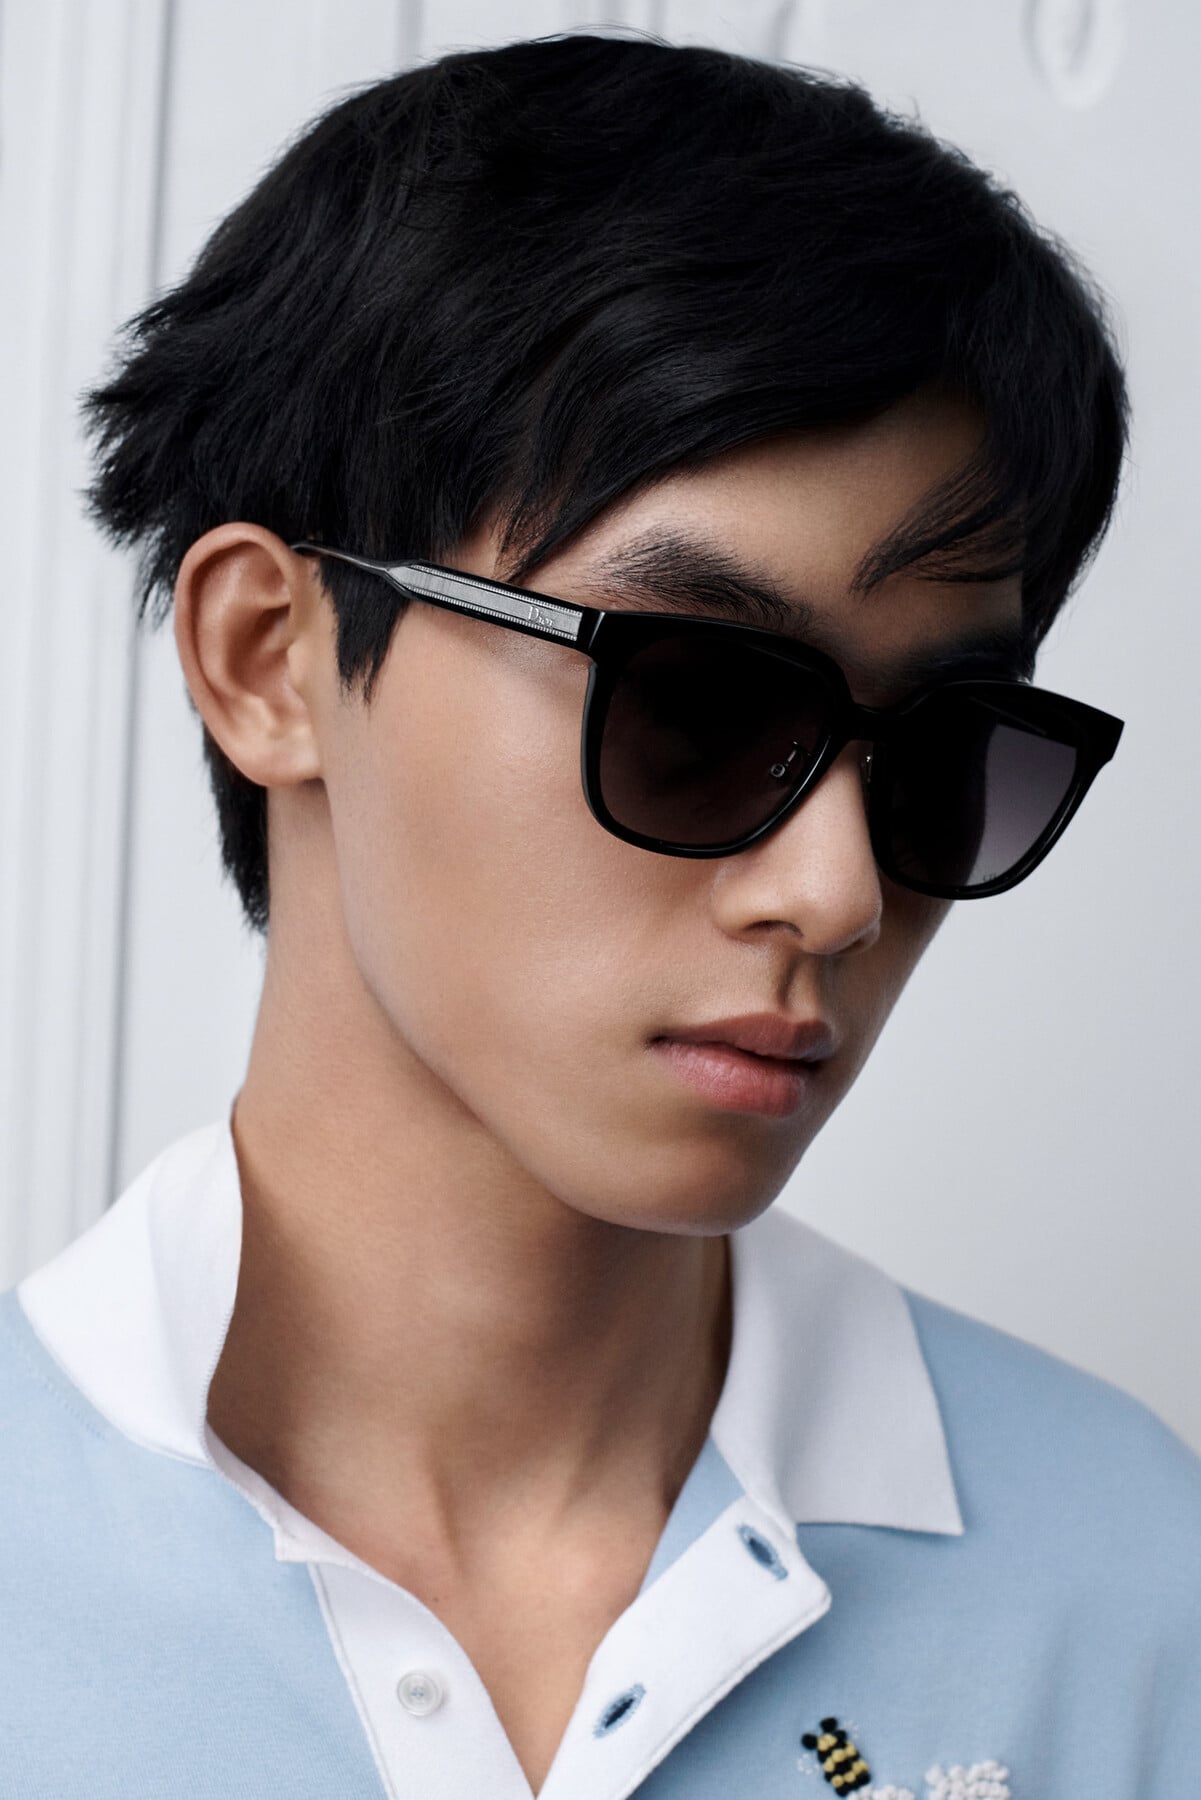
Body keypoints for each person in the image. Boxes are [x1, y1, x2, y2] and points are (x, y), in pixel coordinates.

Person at [2, 31, 1196, 1800]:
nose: (836, 890)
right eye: (695, 704)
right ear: (269, 658)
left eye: (944, 755)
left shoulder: (1132, 1585)